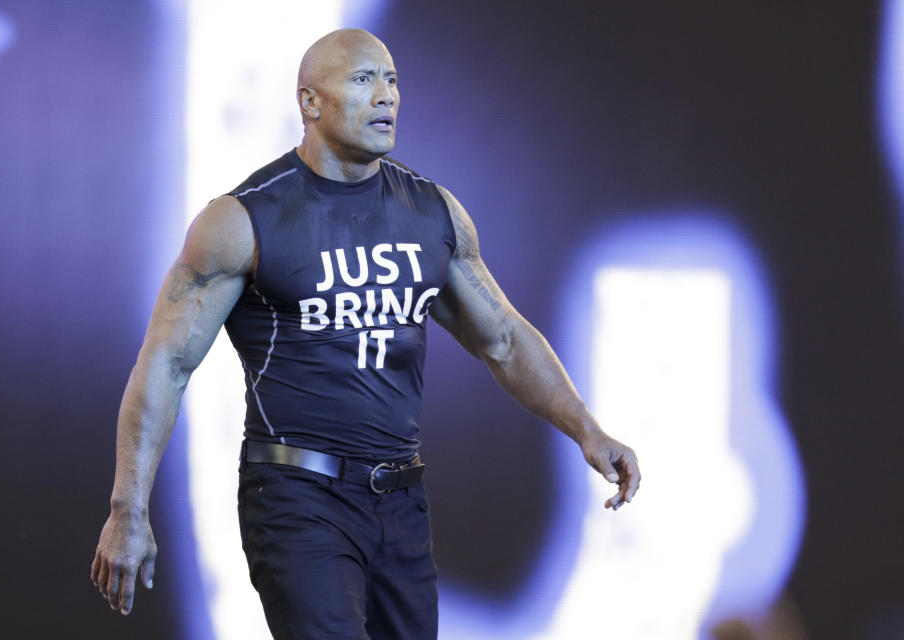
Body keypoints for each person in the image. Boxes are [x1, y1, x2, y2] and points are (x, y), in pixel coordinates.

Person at [91, 28, 640, 639]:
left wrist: (586, 428)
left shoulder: (432, 211)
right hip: (298, 495)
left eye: (393, 80)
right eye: (363, 80)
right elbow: (166, 363)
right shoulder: (245, 219)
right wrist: (127, 508)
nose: (386, 96)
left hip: (401, 496)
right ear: (310, 102)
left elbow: (504, 339)